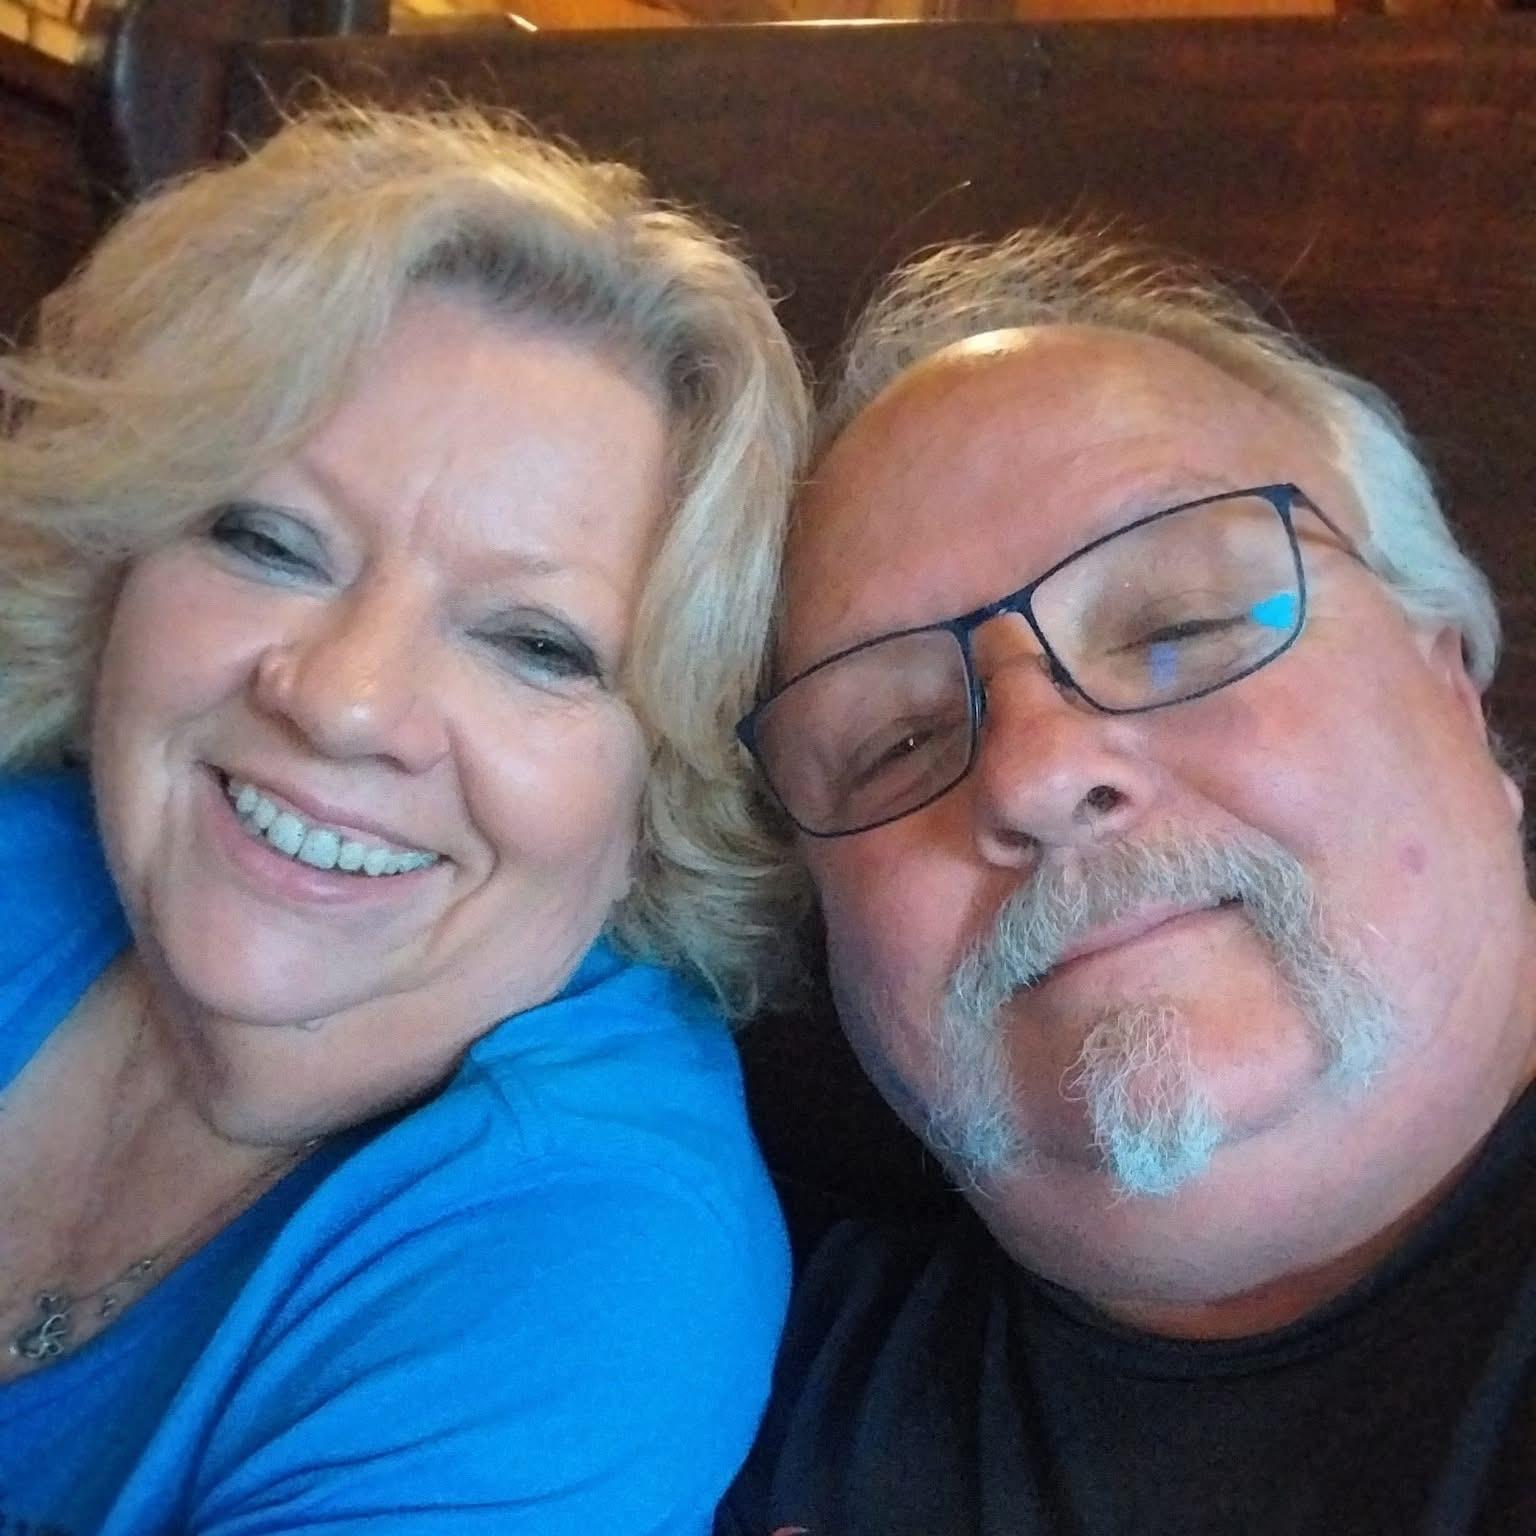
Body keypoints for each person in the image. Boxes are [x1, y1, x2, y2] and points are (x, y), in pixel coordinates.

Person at [0, 103, 808, 1534]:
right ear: (117, 565)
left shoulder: (591, 1265)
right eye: (268, 540)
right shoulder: (35, 851)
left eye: (535, 644)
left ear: (665, 790)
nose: (345, 702)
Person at [721, 228, 1536, 1534]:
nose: (1036, 774)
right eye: (897, 742)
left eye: (1177, 628)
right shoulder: (689, 1393)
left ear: (1454, 688)